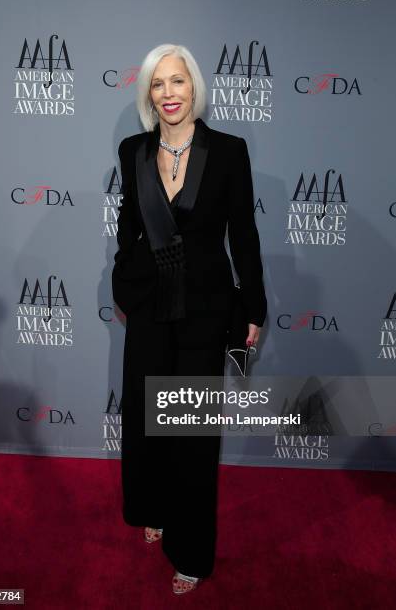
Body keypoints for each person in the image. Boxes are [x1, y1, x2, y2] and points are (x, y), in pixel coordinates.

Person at [112, 43, 267, 595]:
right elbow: (129, 224)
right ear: (148, 94)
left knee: (193, 433)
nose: (169, 93)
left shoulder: (227, 151)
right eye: (158, 84)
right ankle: (154, 506)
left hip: (204, 310)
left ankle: (192, 550)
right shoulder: (134, 149)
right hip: (151, 309)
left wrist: (253, 307)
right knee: (150, 420)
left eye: (178, 82)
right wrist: (122, 281)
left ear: (194, 88)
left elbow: (243, 235)